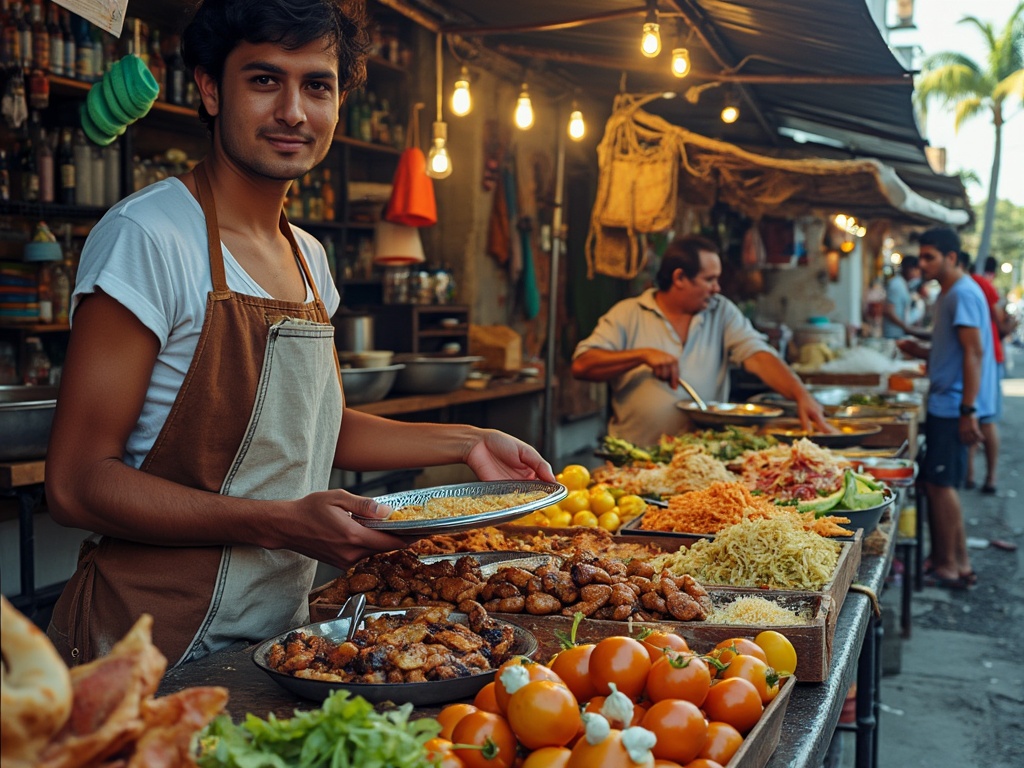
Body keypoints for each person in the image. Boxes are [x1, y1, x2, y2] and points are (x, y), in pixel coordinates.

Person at [44, 0, 553, 668]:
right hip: (143, 647)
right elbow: (77, 484)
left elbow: (319, 427)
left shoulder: (309, 258)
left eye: (317, 85)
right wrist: (280, 520)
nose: (293, 111)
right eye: (264, 80)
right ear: (207, 87)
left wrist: (468, 443)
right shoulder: (150, 238)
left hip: (271, 642)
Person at [571, 234, 830, 448]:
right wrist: (642, 355)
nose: (717, 288)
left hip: (702, 460)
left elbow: (758, 356)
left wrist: (800, 395)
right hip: (634, 459)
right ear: (679, 278)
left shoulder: (721, 311)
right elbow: (583, 365)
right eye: (709, 279)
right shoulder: (628, 313)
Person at [896, 229, 997, 590]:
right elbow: (950, 350)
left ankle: (952, 566)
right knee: (939, 484)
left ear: (952, 257)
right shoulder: (948, 294)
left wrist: (969, 409)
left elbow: (974, 352)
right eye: (920, 256)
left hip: (953, 405)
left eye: (930, 257)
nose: (922, 264)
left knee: (942, 486)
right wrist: (918, 350)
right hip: (946, 401)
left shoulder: (964, 294)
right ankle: (949, 561)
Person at [965, 254, 1018, 493]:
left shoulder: (975, 284)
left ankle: (988, 477)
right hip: (982, 357)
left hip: (985, 359)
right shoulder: (976, 284)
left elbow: (1001, 323)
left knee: (984, 418)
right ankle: (973, 474)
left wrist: (1011, 324)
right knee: (979, 416)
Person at [882, 255, 922, 338]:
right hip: (893, 334)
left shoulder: (904, 284)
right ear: (910, 269)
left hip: (898, 332)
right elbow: (888, 311)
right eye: (917, 269)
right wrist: (905, 326)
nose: (918, 273)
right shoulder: (896, 284)